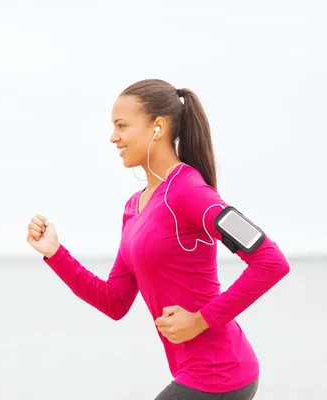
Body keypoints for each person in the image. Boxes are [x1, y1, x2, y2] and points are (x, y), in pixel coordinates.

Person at [27, 79, 290, 400]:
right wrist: (55, 253)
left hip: (219, 373)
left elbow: (271, 261)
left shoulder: (190, 192)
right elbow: (115, 302)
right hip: (194, 374)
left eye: (122, 126)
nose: (113, 137)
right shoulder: (133, 208)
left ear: (158, 127)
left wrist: (201, 320)